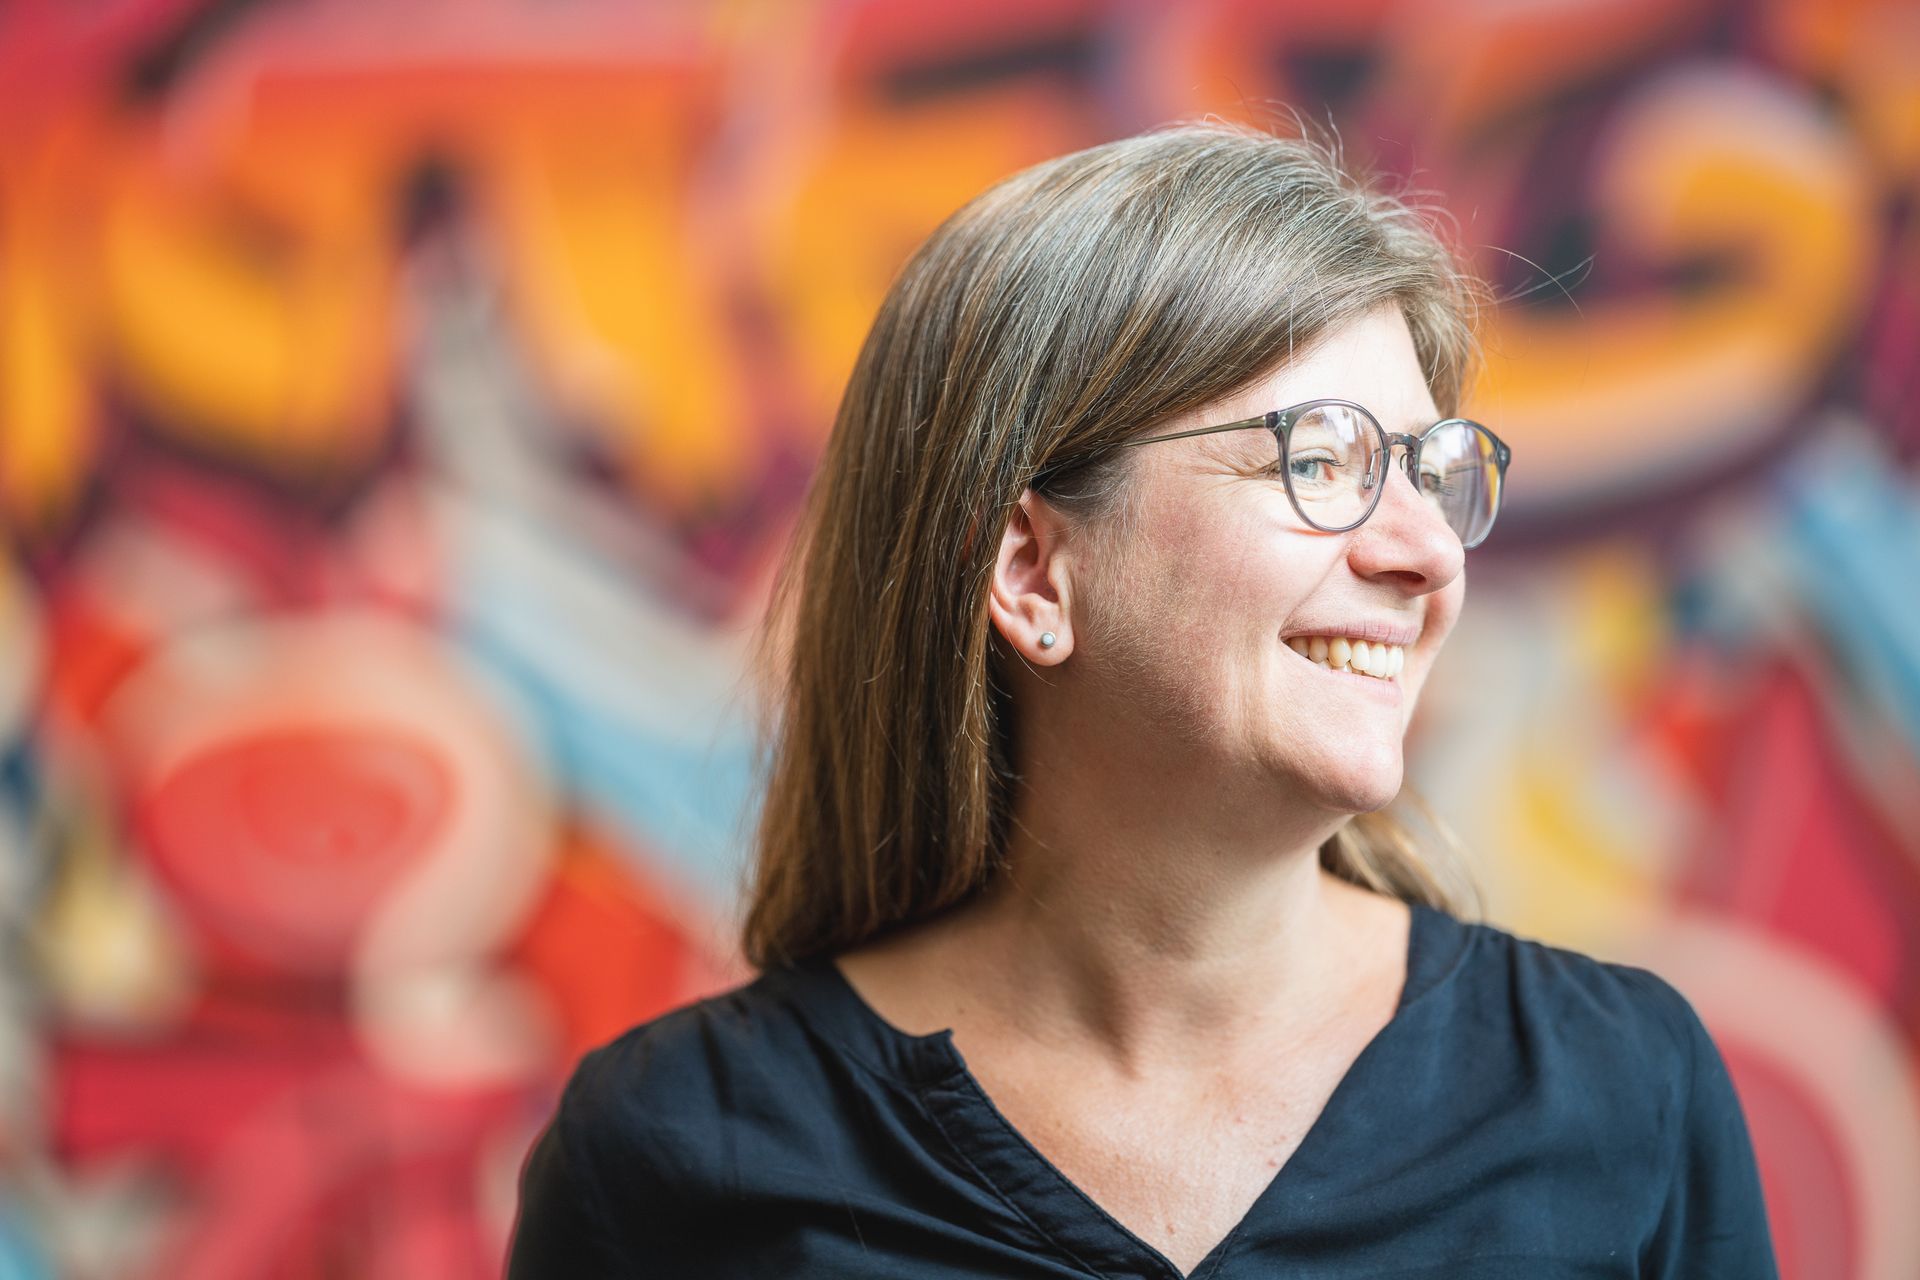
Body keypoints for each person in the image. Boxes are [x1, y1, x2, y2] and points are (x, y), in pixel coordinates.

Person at [506, 120, 1778, 1278]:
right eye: (1321, 459)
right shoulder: (668, 1160)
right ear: (1031, 571)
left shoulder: (1624, 1087)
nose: (1427, 552)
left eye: (1431, 471)